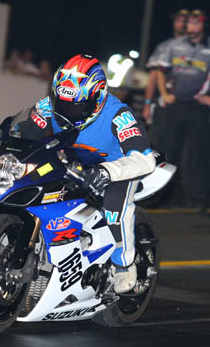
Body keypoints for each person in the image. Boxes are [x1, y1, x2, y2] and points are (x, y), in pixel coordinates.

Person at [8, 54, 156, 293]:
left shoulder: (119, 115)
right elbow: (22, 132)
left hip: (115, 169)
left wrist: (106, 172)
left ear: (98, 96)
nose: (68, 111)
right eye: (63, 104)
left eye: (77, 106)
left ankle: (124, 266)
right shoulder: (49, 105)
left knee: (115, 209)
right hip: (71, 163)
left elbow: (145, 160)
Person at [153, 10, 210, 212]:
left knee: (197, 154)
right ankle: (160, 197)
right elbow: (160, 70)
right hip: (175, 105)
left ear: (203, 26)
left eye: (196, 23)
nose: (191, 27)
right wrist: (164, 94)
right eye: (189, 23)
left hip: (199, 107)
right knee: (167, 152)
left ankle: (198, 199)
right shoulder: (174, 45)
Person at [143, 8, 188, 152]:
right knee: (159, 144)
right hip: (164, 102)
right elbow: (153, 77)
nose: (182, 24)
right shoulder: (163, 47)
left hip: (187, 103)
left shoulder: (198, 48)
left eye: (185, 21)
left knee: (183, 146)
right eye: (179, 20)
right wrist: (147, 104)